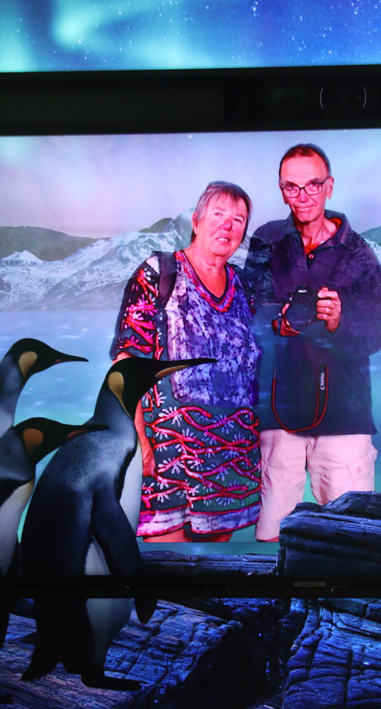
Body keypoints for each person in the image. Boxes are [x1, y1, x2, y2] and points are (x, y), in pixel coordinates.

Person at [244, 144, 381, 541]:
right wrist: (279, 323)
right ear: (281, 190)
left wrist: (338, 323)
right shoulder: (266, 241)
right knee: (274, 537)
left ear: (329, 186)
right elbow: (248, 311)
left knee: (350, 537)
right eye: (291, 187)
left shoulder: (358, 254)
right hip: (280, 408)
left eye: (312, 185)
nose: (303, 196)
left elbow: (380, 331)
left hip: (344, 412)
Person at [110, 181, 262, 542]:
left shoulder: (244, 287)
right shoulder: (160, 273)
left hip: (229, 464)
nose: (227, 225)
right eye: (218, 214)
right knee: (168, 565)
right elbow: (126, 362)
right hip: (167, 460)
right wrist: (138, 440)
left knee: (211, 569)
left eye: (238, 219)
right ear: (196, 221)